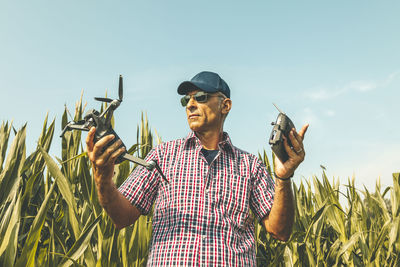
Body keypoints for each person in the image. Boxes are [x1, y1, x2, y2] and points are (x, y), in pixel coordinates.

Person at [86, 71, 309, 266]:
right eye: (186, 100)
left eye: (201, 98)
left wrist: (284, 177)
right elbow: (122, 217)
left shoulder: (250, 166)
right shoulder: (162, 156)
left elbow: (280, 230)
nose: (190, 104)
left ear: (225, 105)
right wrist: (103, 179)